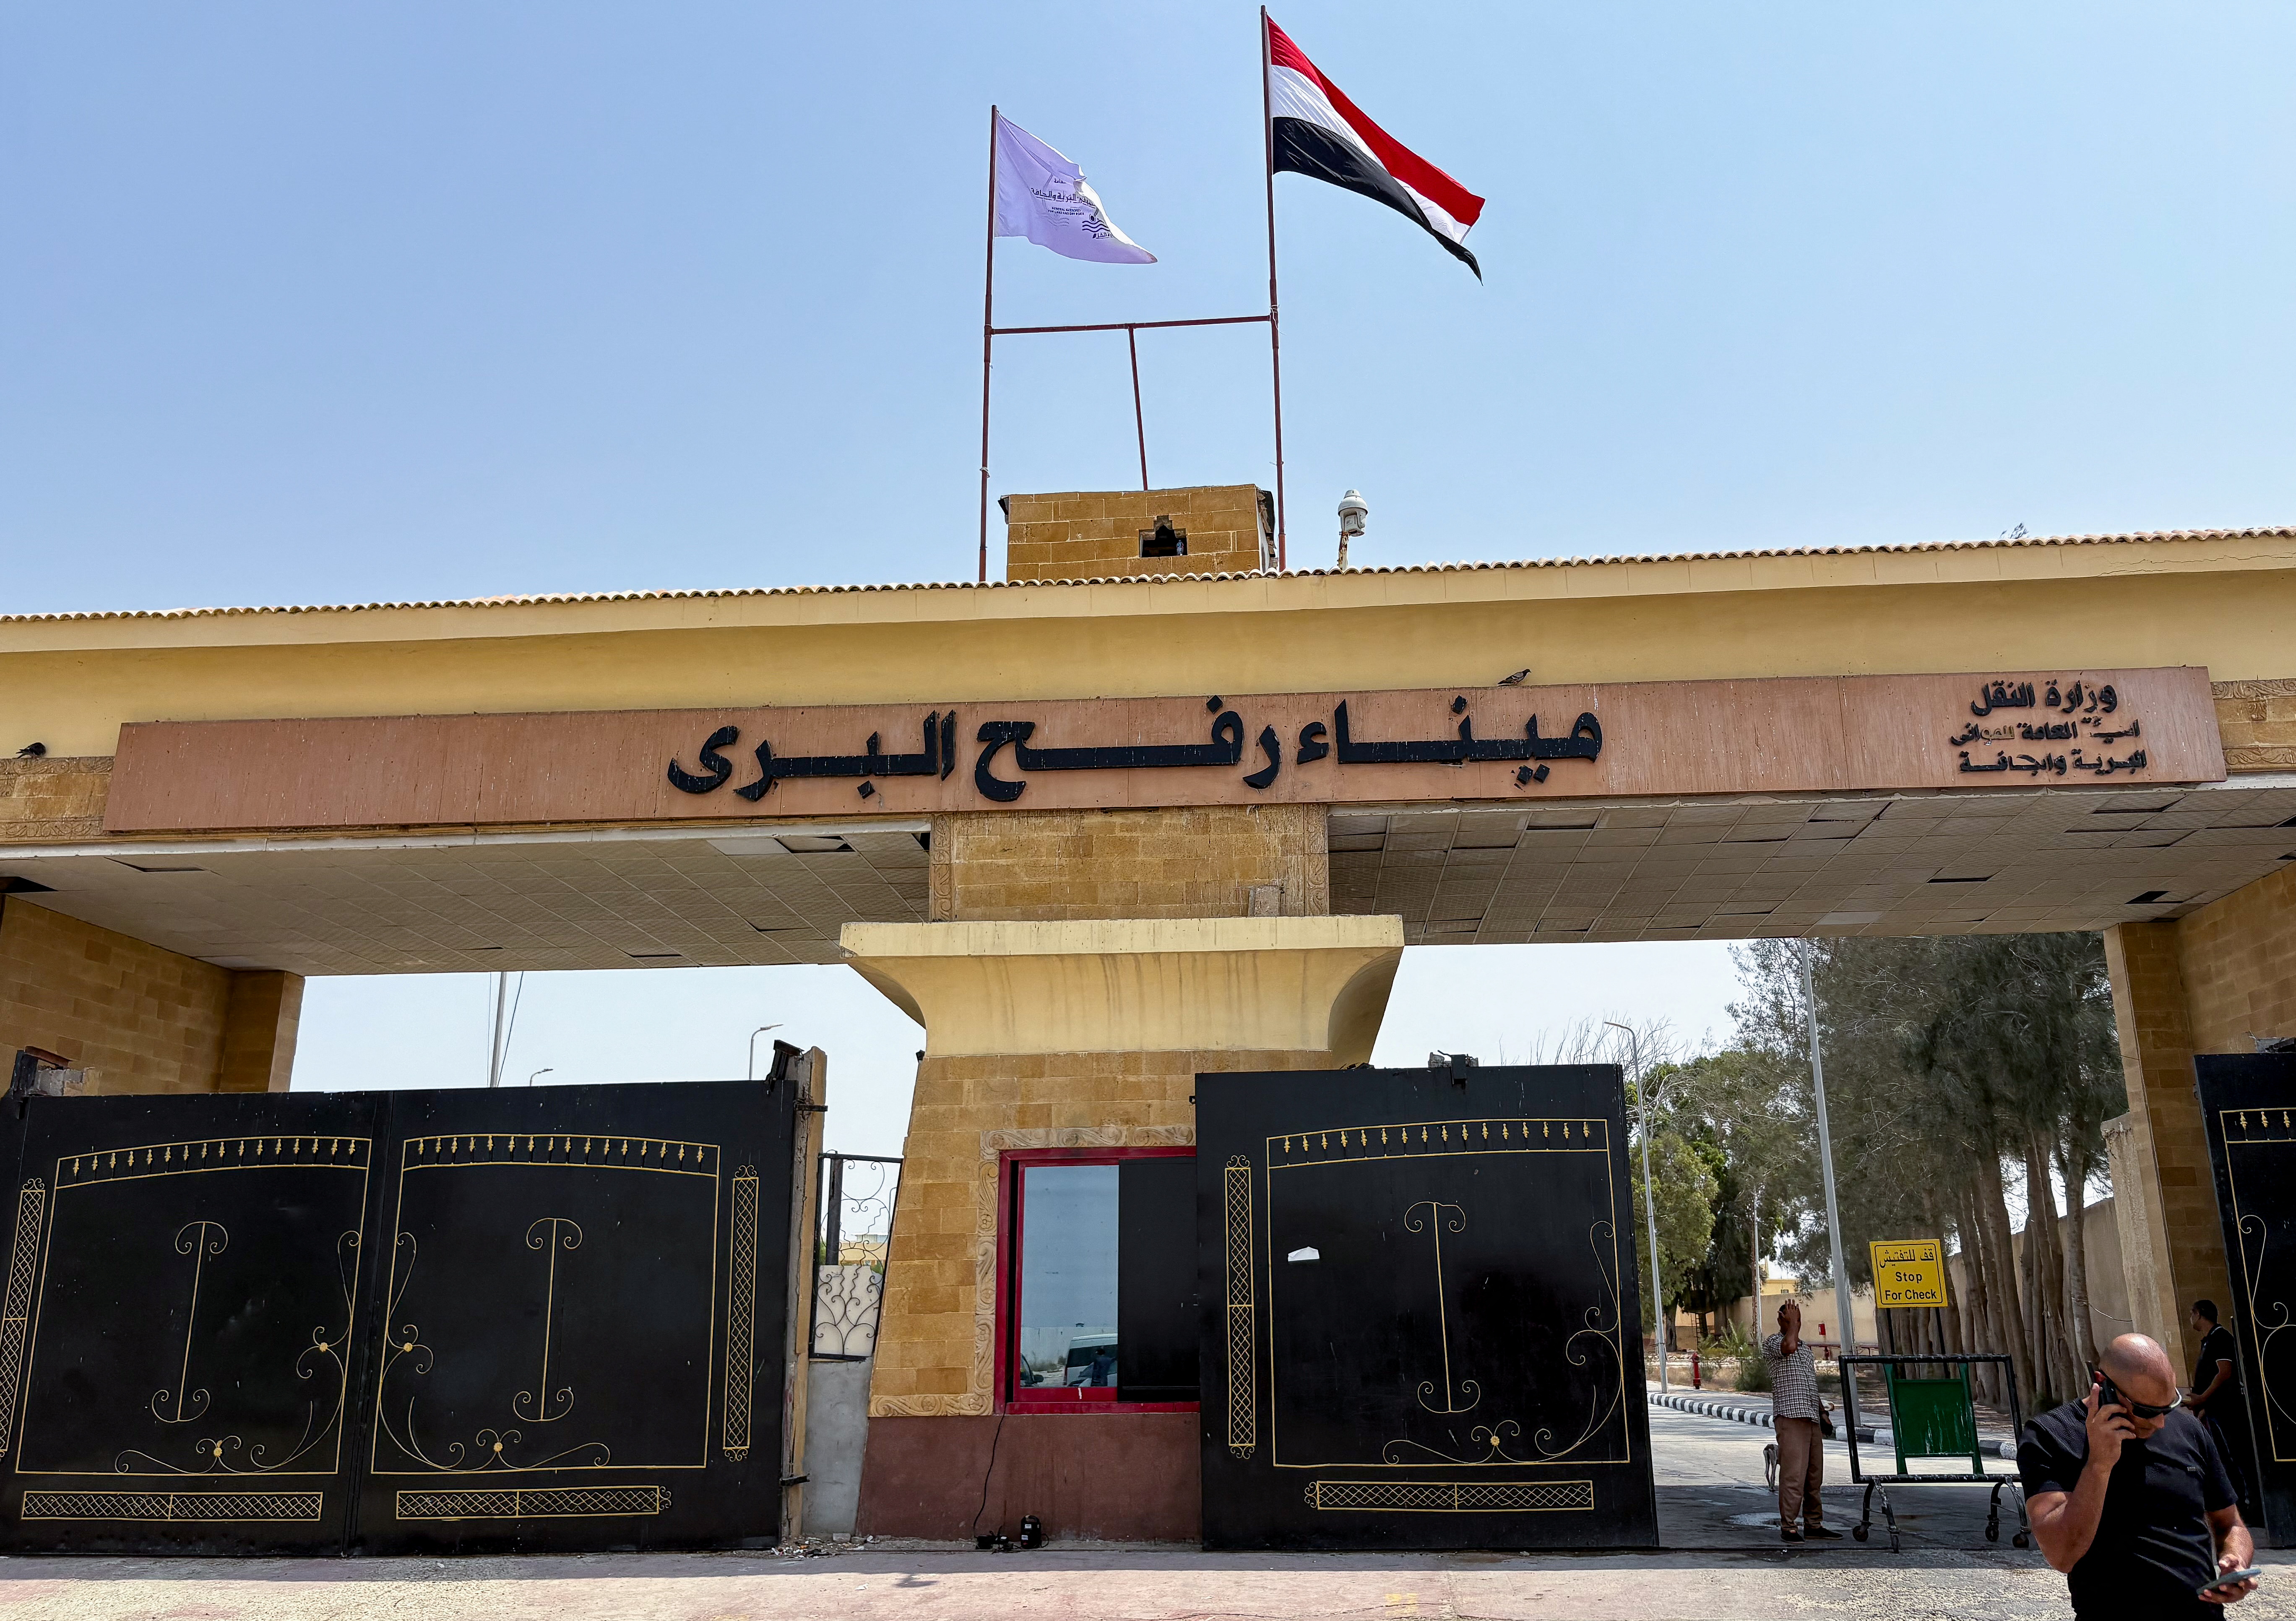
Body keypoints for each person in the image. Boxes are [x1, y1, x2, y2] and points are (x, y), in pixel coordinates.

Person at [2021, 1332, 2258, 1617]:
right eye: (2146, 1411)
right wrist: (2099, 1465)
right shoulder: (2052, 1436)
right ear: (2103, 1385)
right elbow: (2062, 1554)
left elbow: (2230, 1524)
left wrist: (2236, 1560)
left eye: (2169, 1406)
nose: (2160, 1423)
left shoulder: (2189, 1430)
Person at [1762, 1299, 1840, 1543]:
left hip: (1811, 1416)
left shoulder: (1805, 1349)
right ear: (1781, 1320)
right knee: (1794, 1475)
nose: (1796, 1321)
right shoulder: (1773, 1343)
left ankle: (1814, 1524)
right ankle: (1789, 1526)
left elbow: (1810, 1384)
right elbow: (1788, 1346)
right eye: (1790, 1316)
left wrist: (1823, 1413)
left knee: (1814, 1476)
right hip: (1790, 1416)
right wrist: (1793, 1325)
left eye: (1798, 1317)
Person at [2185, 1300, 2254, 1511]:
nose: (2191, 1318)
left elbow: (2224, 1373)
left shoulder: (2221, 1337)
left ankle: (2251, 1502)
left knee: (2237, 1455)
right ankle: (2238, 1502)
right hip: (2214, 1410)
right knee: (2224, 1458)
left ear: (2199, 1314)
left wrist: (2202, 1398)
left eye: (2192, 1313)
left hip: (2227, 1409)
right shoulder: (2208, 1340)